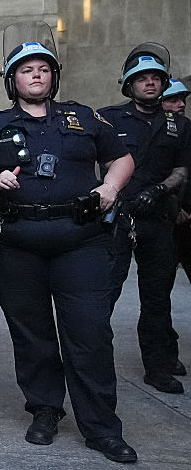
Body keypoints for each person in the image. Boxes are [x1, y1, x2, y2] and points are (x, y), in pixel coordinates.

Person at [0, 23, 136, 463]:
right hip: (18, 242)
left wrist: (110, 189)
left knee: (89, 333)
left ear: (54, 77)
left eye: (44, 69)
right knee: (33, 333)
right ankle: (44, 409)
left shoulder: (84, 117)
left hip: (82, 240)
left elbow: (121, 158)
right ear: (12, 81)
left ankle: (101, 427)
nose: (36, 76)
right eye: (27, 71)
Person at [98, 44, 190, 394]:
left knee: (157, 297)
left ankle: (158, 366)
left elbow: (182, 169)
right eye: (142, 79)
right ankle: (92, 361)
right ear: (129, 84)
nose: (150, 84)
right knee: (104, 293)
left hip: (157, 218)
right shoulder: (108, 118)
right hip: (117, 218)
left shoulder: (179, 126)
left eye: (156, 79)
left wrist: (160, 191)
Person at [161, 79, 191, 285]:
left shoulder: (187, 130)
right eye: (173, 100)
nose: (181, 104)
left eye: (182, 99)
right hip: (162, 219)